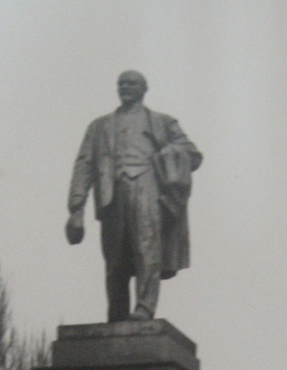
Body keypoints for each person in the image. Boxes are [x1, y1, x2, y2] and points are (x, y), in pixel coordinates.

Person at [66, 71, 202, 322]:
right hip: (112, 193)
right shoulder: (99, 126)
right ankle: (117, 314)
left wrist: (169, 152)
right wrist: (76, 208)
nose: (125, 87)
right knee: (115, 259)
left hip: (147, 186)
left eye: (132, 83)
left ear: (144, 89)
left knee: (146, 248)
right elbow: (84, 165)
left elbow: (192, 154)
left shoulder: (162, 121)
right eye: (121, 83)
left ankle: (144, 308)